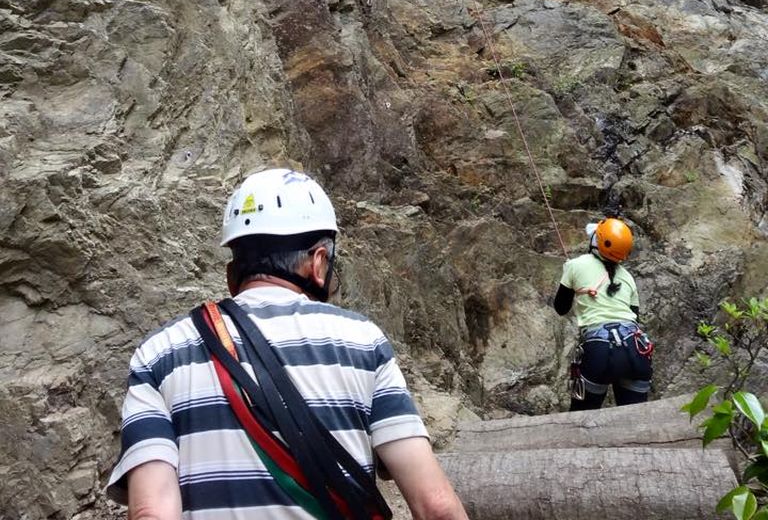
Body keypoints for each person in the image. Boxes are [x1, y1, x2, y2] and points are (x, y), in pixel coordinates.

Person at [107, 167, 469, 520]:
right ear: (319, 262)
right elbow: (435, 505)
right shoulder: (363, 343)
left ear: (232, 271)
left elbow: (151, 511)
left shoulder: (158, 354)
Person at [553, 217, 653, 411]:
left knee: (583, 421)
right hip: (635, 348)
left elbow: (561, 307)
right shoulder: (628, 278)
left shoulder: (576, 265)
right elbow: (635, 318)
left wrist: (570, 277)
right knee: (633, 422)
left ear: (596, 241)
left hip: (599, 348)